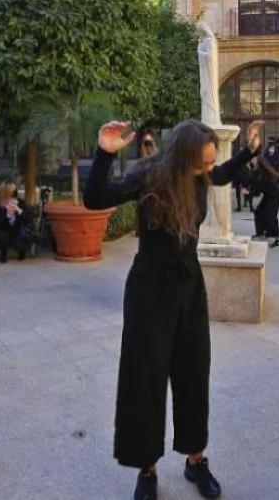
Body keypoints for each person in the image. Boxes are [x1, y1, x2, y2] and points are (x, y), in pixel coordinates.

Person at [84, 118, 262, 500]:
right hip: (150, 287)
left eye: (210, 162)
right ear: (182, 157)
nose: (208, 170)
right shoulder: (148, 174)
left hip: (188, 284)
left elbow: (222, 175)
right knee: (145, 377)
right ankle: (146, 469)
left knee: (193, 372)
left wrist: (248, 151)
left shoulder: (201, 174)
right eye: (202, 163)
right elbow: (96, 198)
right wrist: (103, 153)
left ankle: (195, 460)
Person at [253, 146, 279, 248]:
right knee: (258, 212)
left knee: (270, 216)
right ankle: (261, 234)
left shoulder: (262, 170)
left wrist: (248, 190)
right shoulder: (256, 171)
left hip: (275, 196)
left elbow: (257, 191)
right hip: (269, 195)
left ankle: (278, 240)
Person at [0, 180, 30, 263]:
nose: (15, 193)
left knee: (22, 238)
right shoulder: (0, 206)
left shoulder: (21, 203)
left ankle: (22, 251)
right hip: (6, 230)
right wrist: (8, 214)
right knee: (3, 236)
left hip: (19, 230)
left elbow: (28, 219)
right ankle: (3, 253)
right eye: (13, 191)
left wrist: (19, 210)